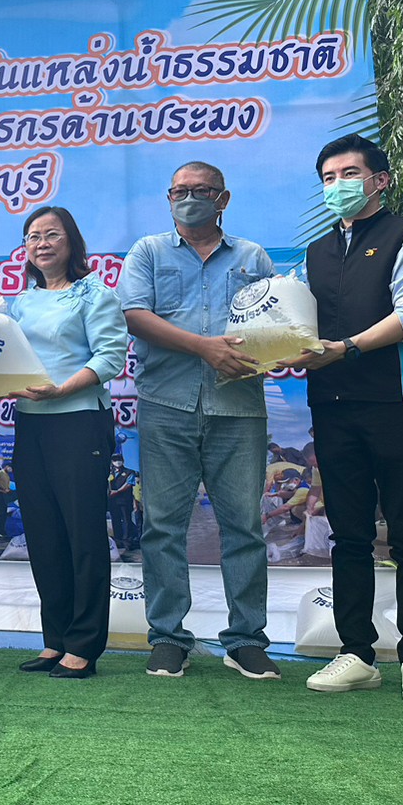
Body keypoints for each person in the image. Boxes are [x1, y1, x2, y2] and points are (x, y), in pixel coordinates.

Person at [287, 134, 403, 704]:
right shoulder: (316, 252)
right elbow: (301, 324)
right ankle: (356, 653)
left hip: (396, 401)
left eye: (349, 174)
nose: (338, 185)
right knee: (349, 533)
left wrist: (349, 347)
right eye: (328, 178)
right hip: (332, 404)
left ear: (380, 180)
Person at [119, 162, 280, 680]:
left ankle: (246, 639)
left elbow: (276, 322)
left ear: (223, 199)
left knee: (244, 526)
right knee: (163, 526)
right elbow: (135, 315)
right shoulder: (148, 252)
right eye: (179, 191)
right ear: (169, 198)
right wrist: (204, 348)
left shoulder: (253, 257)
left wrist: (274, 349)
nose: (189, 199)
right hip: (166, 404)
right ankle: (168, 637)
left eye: (201, 191)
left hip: (239, 407)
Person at [7, 206, 128, 680]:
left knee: (83, 533)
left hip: (79, 421)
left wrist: (62, 389)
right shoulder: (20, 303)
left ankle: (84, 644)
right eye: (33, 236)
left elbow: (110, 357)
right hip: (30, 424)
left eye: (52, 235)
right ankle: (54, 639)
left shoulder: (94, 293)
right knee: (43, 534)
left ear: (71, 241)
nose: (42, 244)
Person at [108, 455, 138, 553]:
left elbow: (128, 484)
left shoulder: (129, 472)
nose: (117, 462)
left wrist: (117, 491)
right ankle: (118, 540)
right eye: (115, 460)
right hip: (113, 501)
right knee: (115, 520)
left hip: (125, 501)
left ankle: (127, 540)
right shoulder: (110, 472)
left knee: (126, 520)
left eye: (119, 460)